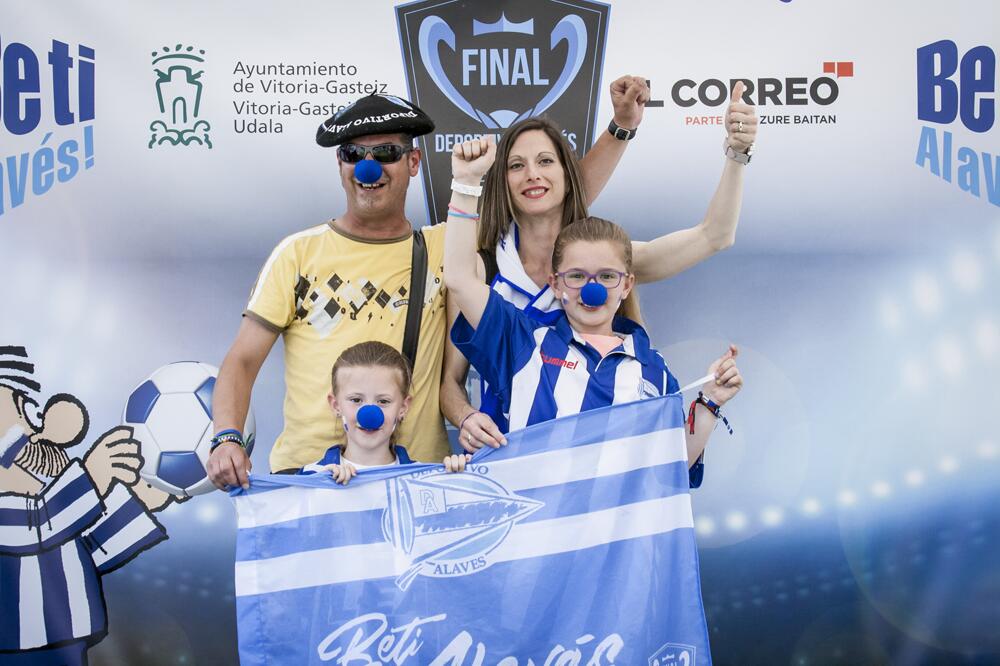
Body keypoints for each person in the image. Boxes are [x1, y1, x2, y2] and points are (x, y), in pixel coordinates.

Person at [206, 81, 664, 490]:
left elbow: (551, 196)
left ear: (413, 162)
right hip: (309, 477)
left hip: (415, 476)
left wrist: (621, 128)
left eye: (384, 153)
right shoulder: (297, 253)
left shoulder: (453, 248)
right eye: (353, 155)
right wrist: (226, 436)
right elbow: (242, 360)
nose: (368, 167)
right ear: (340, 165)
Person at [440, 82, 756, 464]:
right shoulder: (484, 268)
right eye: (516, 166)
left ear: (625, 283)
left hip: (601, 463)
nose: (532, 176)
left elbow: (714, 235)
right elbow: (450, 383)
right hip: (511, 458)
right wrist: (466, 417)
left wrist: (737, 153)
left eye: (545, 162)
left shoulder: (606, 262)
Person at [297, 341, 469, 484]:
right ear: (335, 405)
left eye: (383, 401)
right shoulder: (310, 477)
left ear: (403, 407)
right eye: (356, 400)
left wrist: (458, 479)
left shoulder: (424, 479)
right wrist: (318, 486)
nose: (370, 416)